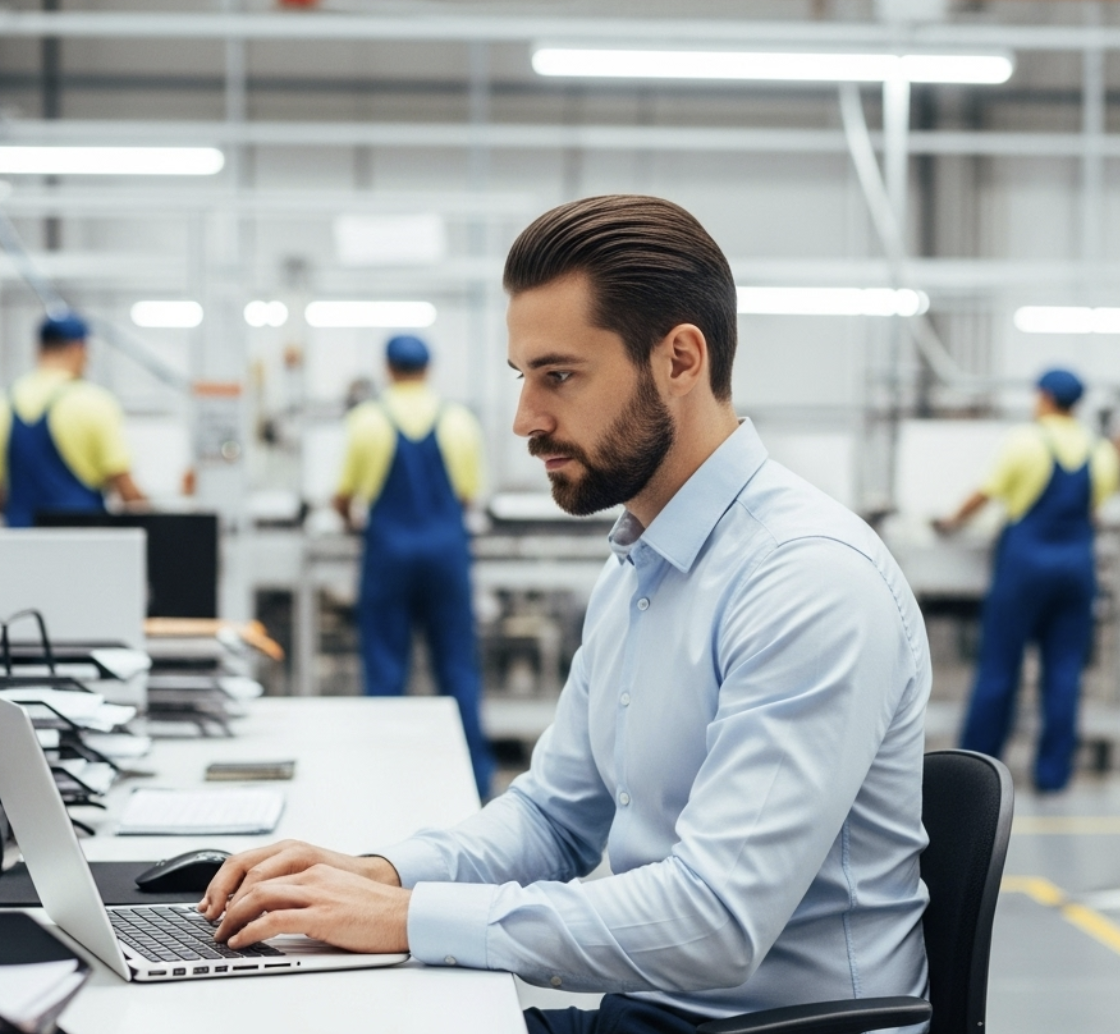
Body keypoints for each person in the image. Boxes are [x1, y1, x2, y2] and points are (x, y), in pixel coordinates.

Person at [201, 196, 931, 1033]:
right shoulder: (640, 564)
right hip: (658, 1014)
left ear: (678, 359)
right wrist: (380, 876)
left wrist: (408, 922)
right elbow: (555, 815)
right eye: (523, 379)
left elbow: (714, 923)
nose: (524, 420)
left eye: (558, 376)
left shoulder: (806, 582)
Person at [934, 368, 1118, 791]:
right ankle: (1053, 775)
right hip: (1076, 567)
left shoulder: (1027, 441)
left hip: (1025, 566)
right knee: (1065, 672)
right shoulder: (1100, 450)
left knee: (1000, 667)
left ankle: (977, 770)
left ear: (1046, 398)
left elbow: (987, 492)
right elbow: (1096, 504)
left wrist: (950, 523)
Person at [332, 335, 494, 800]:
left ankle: (384, 780)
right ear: (430, 367)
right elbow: (467, 496)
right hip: (446, 553)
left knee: (385, 668)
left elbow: (344, 497)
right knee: (457, 667)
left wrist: (352, 524)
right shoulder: (459, 421)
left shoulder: (366, 420)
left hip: (388, 555)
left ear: (388, 367)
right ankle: (474, 784)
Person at [0, 313, 146, 527]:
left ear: (39, 349)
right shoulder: (95, 402)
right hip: (82, 545)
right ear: (79, 349)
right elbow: (126, 491)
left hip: (19, 549)